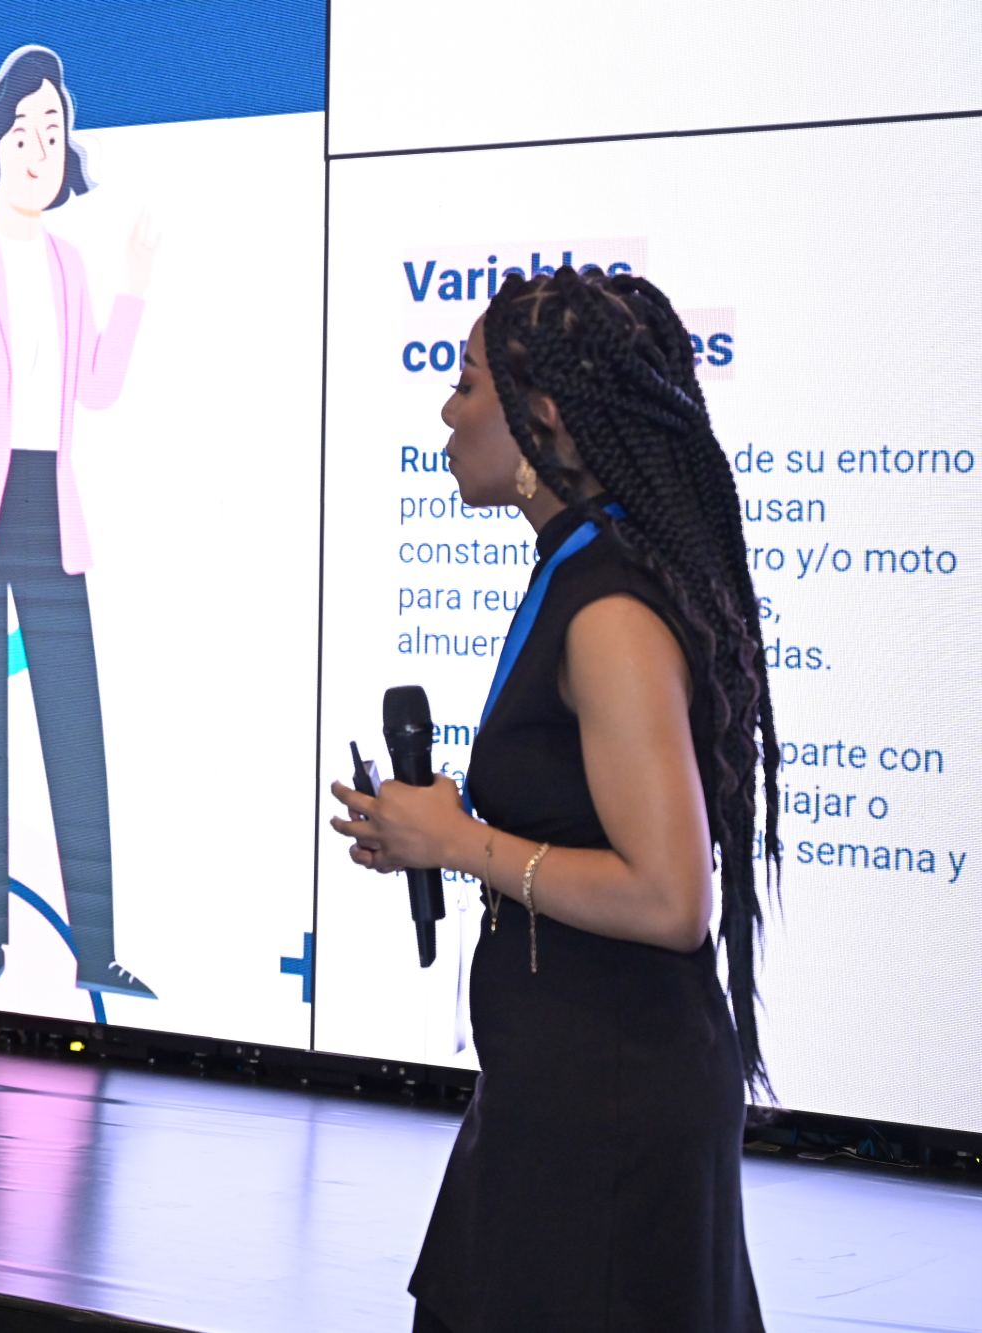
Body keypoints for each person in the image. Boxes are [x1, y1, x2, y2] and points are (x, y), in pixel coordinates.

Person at [329, 268, 779, 1332]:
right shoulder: (574, 569)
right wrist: (430, 834)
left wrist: (460, 841)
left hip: (612, 1112)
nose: (446, 411)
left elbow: (670, 899)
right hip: (553, 1088)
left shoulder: (610, 609)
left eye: (466, 384)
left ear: (544, 418)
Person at [0, 44, 159, 1007]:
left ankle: (98, 949)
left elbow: (97, 389)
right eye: (22, 130)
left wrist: (133, 290)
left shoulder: (72, 266)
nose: (40, 149)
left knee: (75, 726)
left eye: (54, 131)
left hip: (52, 508)